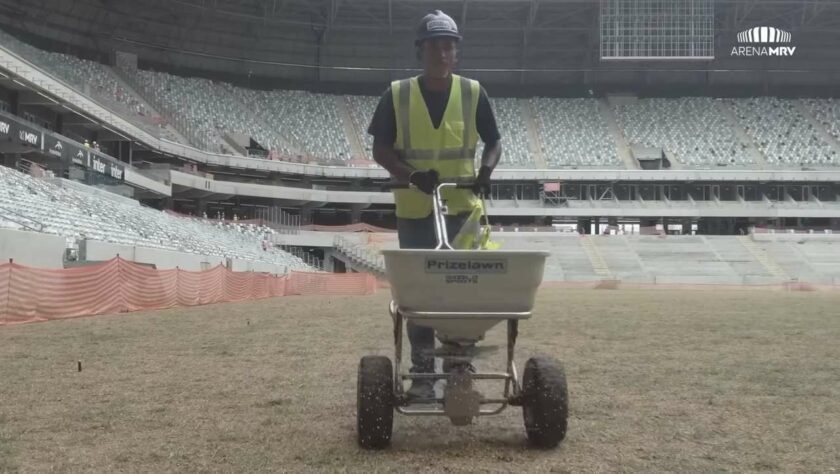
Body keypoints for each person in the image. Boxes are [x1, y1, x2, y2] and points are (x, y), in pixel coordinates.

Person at [367, 10, 502, 400]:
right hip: (415, 209)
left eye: (449, 46)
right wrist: (410, 175)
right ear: (420, 51)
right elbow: (381, 148)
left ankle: (460, 365)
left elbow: (493, 141)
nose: (442, 54)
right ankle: (423, 373)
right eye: (434, 46)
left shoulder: (474, 92)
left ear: (456, 53)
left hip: (463, 209)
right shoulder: (397, 94)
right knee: (420, 295)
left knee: (464, 292)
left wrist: (486, 171)